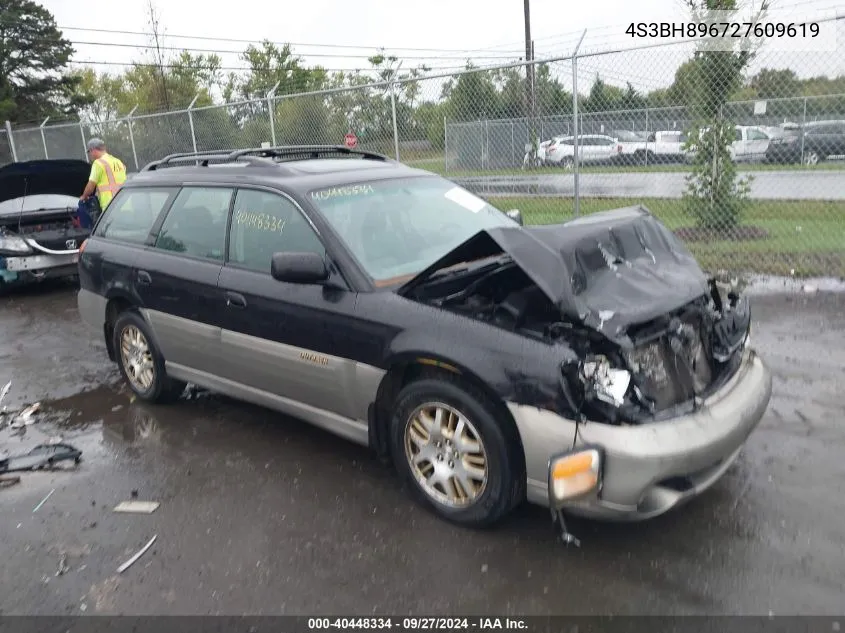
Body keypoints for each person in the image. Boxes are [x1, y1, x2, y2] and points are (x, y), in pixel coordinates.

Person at [79, 138, 127, 211]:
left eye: (89, 152)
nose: (90, 155)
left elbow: (91, 186)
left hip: (110, 207)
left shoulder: (98, 163)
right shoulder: (118, 161)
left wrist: (84, 196)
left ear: (93, 150)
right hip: (126, 204)